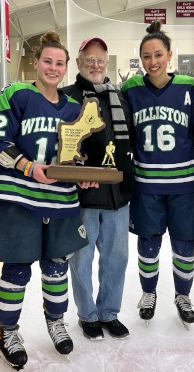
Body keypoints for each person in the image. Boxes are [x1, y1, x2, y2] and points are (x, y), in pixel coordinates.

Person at [0, 31, 94, 370]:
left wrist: (80, 173)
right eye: (47, 61)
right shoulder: (15, 95)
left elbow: (74, 155)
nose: (53, 68)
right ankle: (6, 333)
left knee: (57, 268)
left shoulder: (74, 107)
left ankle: (56, 322)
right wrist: (28, 166)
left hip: (60, 201)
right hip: (19, 198)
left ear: (66, 68)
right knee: (16, 270)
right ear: (36, 63)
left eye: (60, 63)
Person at [121, 20, 194, 329]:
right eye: (146, 56)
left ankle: (183, 296)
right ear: (140, 59)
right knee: (148, 244)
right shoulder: (130, 89)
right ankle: (148, 293)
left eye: (158, 55)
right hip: (146, 185)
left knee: (184, 245)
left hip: (184, 185)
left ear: (169, 55)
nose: (152, 62)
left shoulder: (189, 87)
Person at [62, 37, 134, 340]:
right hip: (83, 196)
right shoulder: (66, 98)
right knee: (82, 257)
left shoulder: (119, 99)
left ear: (107, 63)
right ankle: (87, 314)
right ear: (78, 63)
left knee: (116, 257)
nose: (95, 65)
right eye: (89, 59)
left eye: (100, 60)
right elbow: (60, 148)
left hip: (118, 195)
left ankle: (109, 312)